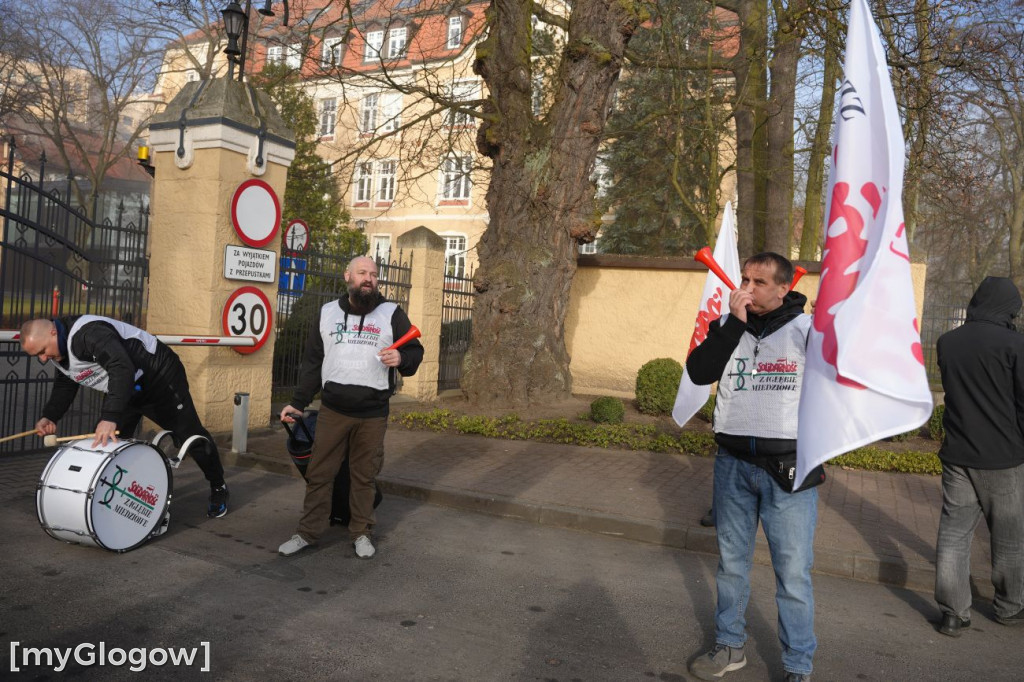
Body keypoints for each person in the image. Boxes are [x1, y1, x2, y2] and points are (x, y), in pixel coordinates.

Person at [685, 252, 823, 682]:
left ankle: (798, 664)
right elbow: (698, 372)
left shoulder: (808, 330)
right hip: (732, 464)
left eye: (758, 282)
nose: (746, 288)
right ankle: (730, 645)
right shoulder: (728, 326)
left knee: (793, 575)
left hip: (789, 470)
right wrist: (734, 325)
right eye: (744, 279)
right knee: (731, 565)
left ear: (784, 288)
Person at [278, 256, 423, 560]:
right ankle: (307, 533)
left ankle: (361, 533)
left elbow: (414, 351)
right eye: (362, 273)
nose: (368, 278)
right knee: (319, 473)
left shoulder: (392, 313)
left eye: (373, 274)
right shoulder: (327, 313)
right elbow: (313, 363)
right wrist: (298, 402)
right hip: (333, 411)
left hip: (373, 414)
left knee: (364, 476)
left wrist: (402, 359)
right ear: (348, 276)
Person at [20, 315, 229, 517]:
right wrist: (50, 416)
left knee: (189, 434)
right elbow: (66, 383)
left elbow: (121, 367)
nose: (43, 358)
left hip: (159, 378)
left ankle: (218, 486)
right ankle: (121, 503)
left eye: (43, 351)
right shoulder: (58, 350)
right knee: (105, 446)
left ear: (53, 332)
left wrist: (110, 417)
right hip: (125, 387)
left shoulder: (89, 334)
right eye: (37, 355)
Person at [933, 276, 1024, 636]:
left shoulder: (947, 342)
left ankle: (953, 613)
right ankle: (1010, 607)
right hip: (1004, 457)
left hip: (958, 453)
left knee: (954, 534)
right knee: (1010, 537)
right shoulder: (1016, 345)